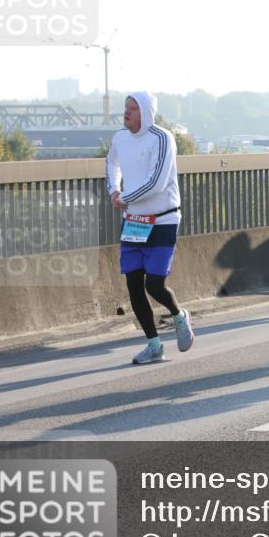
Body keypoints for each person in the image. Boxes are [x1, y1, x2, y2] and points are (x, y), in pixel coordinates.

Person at [107, 92, 195, 365]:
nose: (127, 112)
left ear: (146, 112)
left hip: (162, 219)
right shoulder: (120, 138)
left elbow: (156, 182)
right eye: (126, 107)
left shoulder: (161, 138)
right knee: (134, 285)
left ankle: (179, 315)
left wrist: (125, 198)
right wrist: (114, 189)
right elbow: (112, 162)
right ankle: (154, 345)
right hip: (134, 221)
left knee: (154, 285)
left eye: (133, 108)